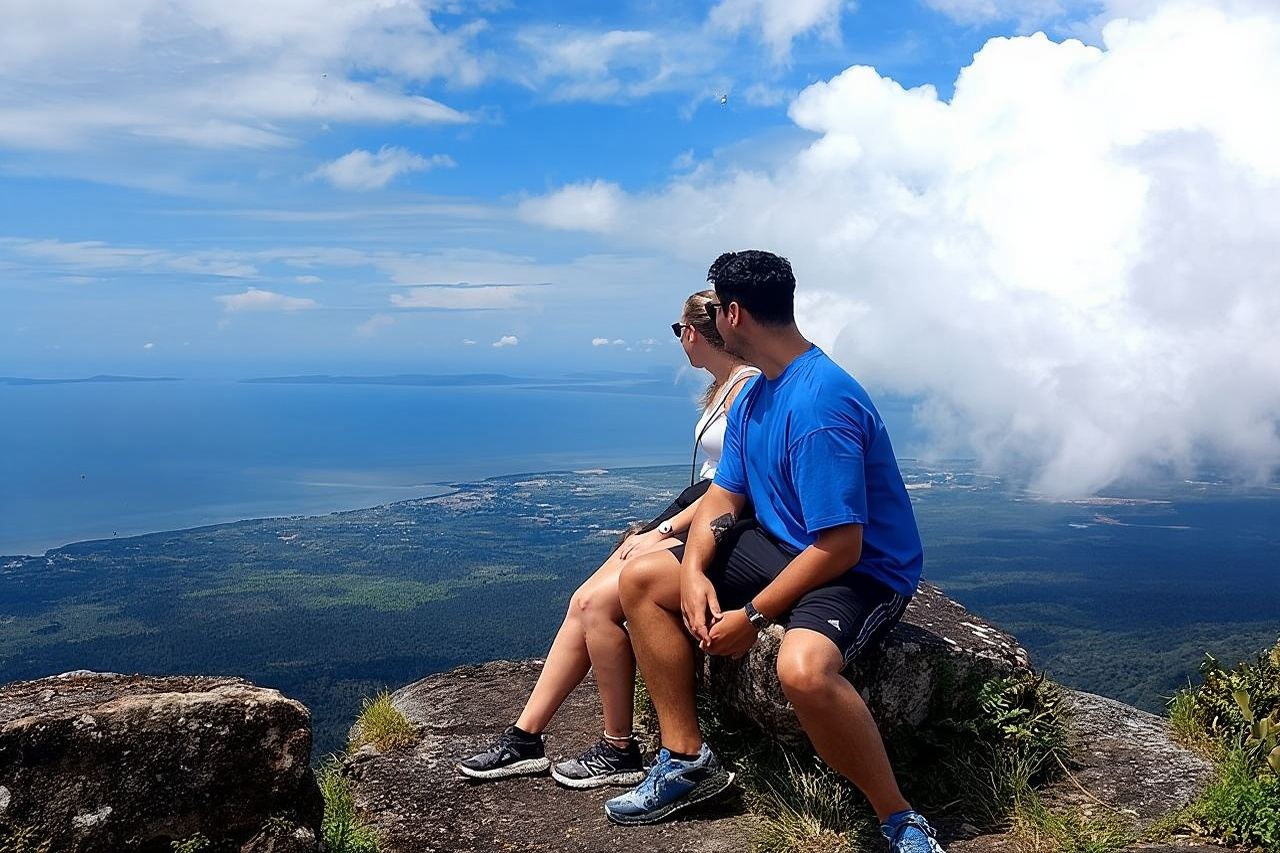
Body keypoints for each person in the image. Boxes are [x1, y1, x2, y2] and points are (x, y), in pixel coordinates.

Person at [603, 251, 945, 853]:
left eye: (714, 310)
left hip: (862, 570)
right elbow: (723, 498)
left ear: (734, 315)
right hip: (786, 548)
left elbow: (841, 546)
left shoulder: (819, 404)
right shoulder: (759, 391)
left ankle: (898, 816)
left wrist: (754, 617)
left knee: (803, 671)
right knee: (643, 578)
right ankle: (685, 759)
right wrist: (692, 574)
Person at [456, 290, 760, 788]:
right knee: (583, 600)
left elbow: (732, 485)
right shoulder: (726, 385)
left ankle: (617, 746)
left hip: (717, 524)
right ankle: (525, 737)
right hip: (695, 512)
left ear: (691, 333)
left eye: (677, 331)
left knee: (599, 602)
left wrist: (662, 530)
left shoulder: (745, 388)